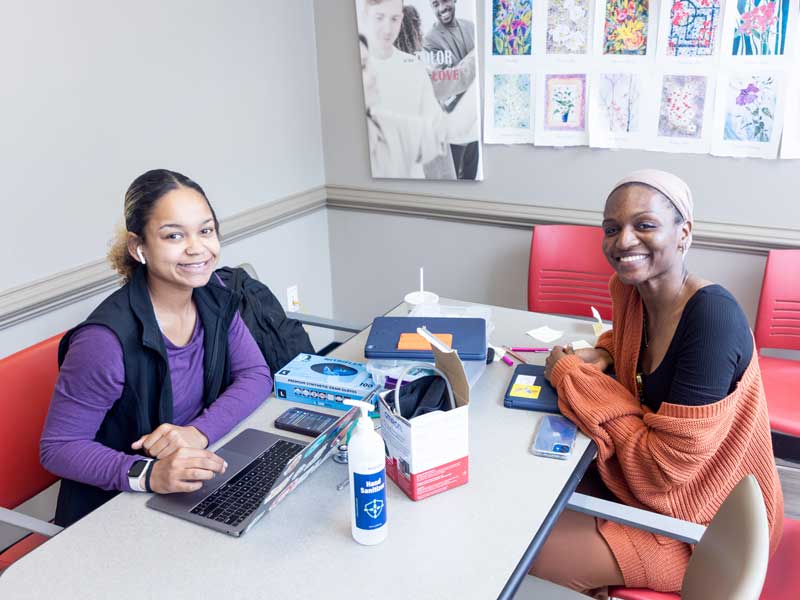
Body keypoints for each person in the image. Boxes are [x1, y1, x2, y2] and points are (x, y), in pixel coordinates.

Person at [532, 169, 784, 597]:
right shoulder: (631, 291)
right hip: (654, 497)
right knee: (532, 498)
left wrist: (572, 375)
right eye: (612, 228)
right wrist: (607, 351)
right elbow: (634, 347)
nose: (623, 240)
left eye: (644, 225)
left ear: (684, 232)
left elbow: (661, 469)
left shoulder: (712, 320)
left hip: (706, 528)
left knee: (530, 555)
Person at [40, 169, 272, 527]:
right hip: (115, 511)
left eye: (206, 230)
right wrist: (149, 474)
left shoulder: (214, 299)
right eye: (174, 235)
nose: (197, 247)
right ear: (139, 248)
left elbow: (256, 375)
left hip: (188, 491)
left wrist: (197, 433)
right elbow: (58, 448)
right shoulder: (104, 341)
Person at [359, 0, 449, 179]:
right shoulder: (358, 65)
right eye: (379, 17)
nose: (387, 29)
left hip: (413, 184)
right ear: (366, 16)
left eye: (395, 19)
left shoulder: (414, 67)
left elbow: (436, 130)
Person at [423, 0, 479, 179]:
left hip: (475, 122)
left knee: (471, 176)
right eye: (435, 3)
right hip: (454, 123)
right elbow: (447, 84)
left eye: (445, 0)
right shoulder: (430, 39)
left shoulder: (471, 27)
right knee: (454, 182)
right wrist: (476, 56)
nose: (441, 8)